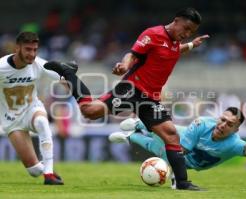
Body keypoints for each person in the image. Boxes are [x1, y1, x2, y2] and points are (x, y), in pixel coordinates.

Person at [44, 7, 209, 190]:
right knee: (90, 112)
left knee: (171, 135)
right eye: (186, 28)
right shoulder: (153, 34)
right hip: (132, 89)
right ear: (176, 20)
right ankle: (68, 74)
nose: (186, 34)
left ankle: (182, 183)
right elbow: (133, 54)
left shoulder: (175, 43)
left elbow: (175, 50)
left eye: (191, 32)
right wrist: (124, 65)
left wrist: (193, 44)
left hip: (150, 99)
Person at [108, 107, 246, 189]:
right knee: (164, 143)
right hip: (181, 138)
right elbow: (179, 151)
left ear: (236, 129)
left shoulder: (233, 144)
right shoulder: (201, 124)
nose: (223, 124)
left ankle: (130, 135)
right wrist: (173, 174)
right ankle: (139, 126)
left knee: (159, 148)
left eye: (230, 124)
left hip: (188, 159)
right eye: (222, 119)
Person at [0, 31, 66, 185]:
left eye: (35, 50)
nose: (32, 54)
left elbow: (63, 77)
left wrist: (75, 87)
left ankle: (49, 174)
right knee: (34, 171)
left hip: (32, 109)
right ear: (17, 49)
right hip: (12, 120)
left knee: (42, 122)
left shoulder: (39, 64)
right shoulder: (1, 67)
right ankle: (43, 170)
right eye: (28, 49)